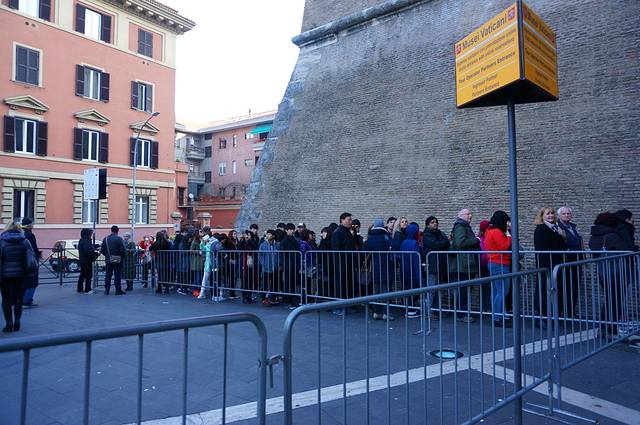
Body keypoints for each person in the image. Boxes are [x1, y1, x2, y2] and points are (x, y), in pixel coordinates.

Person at [588, 212, 635, 339]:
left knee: (610, 300)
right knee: (615, 302)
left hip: (603, 273)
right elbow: (627, 250)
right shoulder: (612, 236)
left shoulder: (594, 237)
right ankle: (611, 330)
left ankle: (603, 329)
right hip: (617, 274)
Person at [533, 207, 568, 322]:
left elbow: (562, 246)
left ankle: (551, 315)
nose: (551, 215)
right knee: (544, 290)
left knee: (554, 290)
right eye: (548, 214)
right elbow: (543, 248)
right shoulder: (541, 229)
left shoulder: (556, 229)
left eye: (552, 213)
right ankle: (541, 317)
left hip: (555, 264)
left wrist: (562, 236)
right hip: (546, 265)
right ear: (542, 216)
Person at [0, 220, 36, 332]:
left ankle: (9, 323)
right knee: (18, 299)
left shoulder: (1, 241)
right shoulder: (25, 241)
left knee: (6, 300)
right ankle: (17, 322)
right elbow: (32, 256)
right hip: (21, 275)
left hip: (4, 276)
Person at [449, 209, 480, 322]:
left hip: (466, 263)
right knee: (464, 290)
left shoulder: (464, 226)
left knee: (465, 289)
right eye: (468, 214)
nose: (471, 216)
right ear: (461, 216)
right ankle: (461, 314)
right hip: (464, 264)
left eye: (471, 213)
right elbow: (460, 243)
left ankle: (463, 312)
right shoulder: (460, 227)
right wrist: (476, 240)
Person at [485, 211, 513, 327]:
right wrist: (509, 236)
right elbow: (504, 247)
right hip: (500, 263)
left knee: (496, 292)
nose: (508, 223)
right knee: (502, 291)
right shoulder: (497, 232)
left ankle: (498, 315)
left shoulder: (489, 231)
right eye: (506, 221)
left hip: (494, 262)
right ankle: (498, 317)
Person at [364, 218, 393, 320]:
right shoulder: (386, 236)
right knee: (386, 290)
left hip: (374, 266)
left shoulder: (370, 237)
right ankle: (386, 313)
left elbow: (365, 250)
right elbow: (391, 247)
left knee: (376, 290)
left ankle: (376, 312)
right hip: (385, 265)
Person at [422, 216, 450, 317]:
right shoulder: (427, 235)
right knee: (431, 288)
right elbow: (436, 245)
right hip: (432, 264)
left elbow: (446, 245)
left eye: (436, 222)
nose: (435, 224)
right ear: (428, 225)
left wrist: (445, 241)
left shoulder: (440, 233)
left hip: (440, 264)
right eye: (432, 222)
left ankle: (436, 309)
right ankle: (428, 310)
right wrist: (446, 241)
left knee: (439, 288)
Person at [331, 212, 356, 304]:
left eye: (351, 220)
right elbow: (336, 249)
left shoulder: (347, 231)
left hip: (348, 262)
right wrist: (340, 263)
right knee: (341, 284)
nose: (351, 222)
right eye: (349, 220)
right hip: (342, 263)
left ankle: (348, 303)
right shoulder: (338, 232)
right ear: (342, 220)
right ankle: (339, 305)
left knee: (348, 283)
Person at [400, 223, 421, 317]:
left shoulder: (404, 242)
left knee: (407, 291)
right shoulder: (414, 243)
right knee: (412, 291)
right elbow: (416, 260)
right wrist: (418, 275)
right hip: (411, 271)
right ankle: (411, 310)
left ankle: (407, 309)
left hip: (404, 270)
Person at [100, 225, 127, 295]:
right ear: (117, 231)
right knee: (117, 275)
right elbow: (123, 250)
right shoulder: (119, 239)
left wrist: (108, 256)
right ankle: (118, 290)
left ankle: (107, 290)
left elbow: (102, 250)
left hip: (108, 260)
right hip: (118, 260)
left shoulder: (105, 239)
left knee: (108, 275)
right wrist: (122, 257)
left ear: (111, 230)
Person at [280, 223, 301, 308]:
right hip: (287, 265)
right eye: (290, 229)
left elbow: (297, 252)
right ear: (286, 230)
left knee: (293, 283)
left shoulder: (294, 240)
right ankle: (288, 300)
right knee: (288, 283)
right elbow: (282, 254)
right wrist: (282, 265)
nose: (292, 231)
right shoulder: (284, 241)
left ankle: (293, 299)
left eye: (293, 229)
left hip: (294, 264)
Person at [21, 218, 40, 308]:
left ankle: (21, 299)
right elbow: (34, 249)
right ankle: (27, 300)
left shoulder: (20, 233)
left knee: (23, 280)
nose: (33, 225)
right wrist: (37, 256)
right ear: (29, 225)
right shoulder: (30, 235)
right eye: (32, 223)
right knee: (32, 280)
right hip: (30, 261)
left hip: (21, 260)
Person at [259, 229, 280, 305]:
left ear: (273, 236)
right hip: (266, 268)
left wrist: (279, 264)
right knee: (265, 284)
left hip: (275, 268)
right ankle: (264, 298)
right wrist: (263, 263)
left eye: (269, 234)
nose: (267, 235)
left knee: (275, 284)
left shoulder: (277, 245)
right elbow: (260, 256)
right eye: (267, 234)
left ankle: (274, 298)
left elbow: (280, 256)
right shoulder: (262, 245)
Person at [77, 228, 98, 293]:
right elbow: (87, 251)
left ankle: (80, 288)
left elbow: (86, 249)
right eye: (90, 234)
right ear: (87, 234)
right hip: (87, 260)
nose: (91, 235)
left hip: (82, 260)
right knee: (88, 275)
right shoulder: (86, 241)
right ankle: (87, 289)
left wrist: (94, 246)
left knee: (82, 274)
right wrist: (95, 254)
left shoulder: (81, 240)